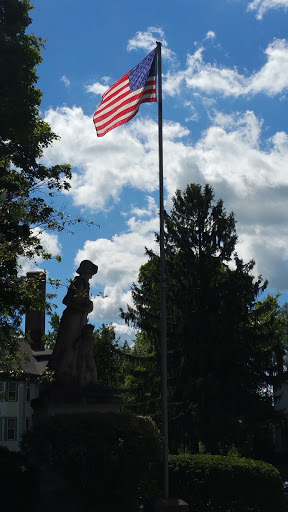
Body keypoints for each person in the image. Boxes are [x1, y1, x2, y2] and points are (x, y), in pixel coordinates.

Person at [49, 260, 98, 386]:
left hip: (80, 318)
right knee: (70, 346)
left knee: (78, 346)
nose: (91, 275)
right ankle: (62, 375)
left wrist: (88, 307)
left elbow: (83, 303)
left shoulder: (85, 284)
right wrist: (83, 308)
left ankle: (74, 376)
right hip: (73, 318)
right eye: (91, 271)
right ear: (86, 270)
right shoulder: (78, 282)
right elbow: (66, 301)